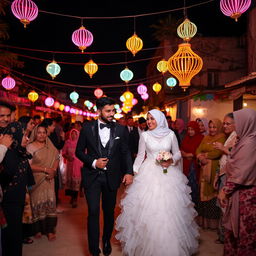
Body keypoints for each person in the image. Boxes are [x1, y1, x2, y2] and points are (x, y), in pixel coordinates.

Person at [115, 109, 199, 256]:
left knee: (169, 211)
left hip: (168, 173)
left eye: (152, 119)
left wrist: (171, 160)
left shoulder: (170, 134)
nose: (149, 122)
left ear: (160, 119)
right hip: (148, 173)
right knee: (148, 211)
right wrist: (133, 172)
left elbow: (178, 152)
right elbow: (141, 156)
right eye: (148, 119)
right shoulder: (145, 135)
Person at [75, 97, 133, 256]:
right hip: (92, 177)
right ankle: (93, 249)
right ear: (98, 111)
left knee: (108, 212)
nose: (112, 114)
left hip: (112, 177)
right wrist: (93, 162)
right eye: (108, 111)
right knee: (93, 211)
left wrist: (129, 172)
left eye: (113, 110)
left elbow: (125, 152)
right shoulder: (87, 128)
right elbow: (79, 151)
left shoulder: (121, 130)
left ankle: (106, 240)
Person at [218, 108, 256, 256]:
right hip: (239, 193)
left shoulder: (250, 143)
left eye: (237, 123)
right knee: (234, 231)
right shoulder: (244, 139)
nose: (235, 127)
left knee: (244, 232)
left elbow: (241, 171)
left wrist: (225, 190)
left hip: (247, 197)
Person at [0, 101, 35, 256]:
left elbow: (22, 154)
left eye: (8, 115)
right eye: (1, 115)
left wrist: (21, 145)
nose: (5, 119)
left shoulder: (16, 128)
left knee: (14, 229)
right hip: (2, 186)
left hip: (15, 185)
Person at [26, 124, 59, 241]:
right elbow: (28, 165)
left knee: (49, 202)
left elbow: (56, 158)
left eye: (44, 132)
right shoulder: (30, 147)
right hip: (36, 180)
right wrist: (45, 169)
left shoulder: (50, 146)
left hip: (49, 179)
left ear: (46, 134)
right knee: (36, 203)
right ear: (35, 133)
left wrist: (53, 171)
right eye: (39, 132)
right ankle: (37, 229)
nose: (41, 135)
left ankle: (50, 230)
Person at [196, 119, 226, 230]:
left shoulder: (222, 137)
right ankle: (204, 222)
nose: (212, 129)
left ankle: (213, 224)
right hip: (203, 169)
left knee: (212, 194)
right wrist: (200, 156)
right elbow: (198, 149)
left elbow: (217, 153)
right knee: (202, 192)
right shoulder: (206, 137)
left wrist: (204, 155)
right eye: (210, 127)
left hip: (213, 170)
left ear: (219, 127)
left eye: (214, 127)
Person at [212, 113, 237, 244]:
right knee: (222, 206)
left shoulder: (238, 137)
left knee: (227, 207)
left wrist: (224, 148)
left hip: (231, 176)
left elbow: (238, 157)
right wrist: (217, 175)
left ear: (236, 124)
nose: (224, 126)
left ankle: (227, 238)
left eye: (228, 123)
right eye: (224, 123)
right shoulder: (229, 137)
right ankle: (223, 236)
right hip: (223, 174)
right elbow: (223, 159)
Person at [180, 121, 204, 207]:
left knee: (193, 185)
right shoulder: (186, 138)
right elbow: (181, 149)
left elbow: (198, 152)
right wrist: (186, 154)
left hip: (194, 166)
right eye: (189, 129)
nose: (190, 131)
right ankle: (187, 204)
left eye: (192, 129)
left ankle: (194, 205)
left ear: (196, 129)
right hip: (185, 165)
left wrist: (188, 154)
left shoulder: (201, 138)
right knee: (186, 185)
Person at [62, 129, 83, 208]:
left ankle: (75, 199)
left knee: (76, 182)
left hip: (78, 165)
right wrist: (68, 157)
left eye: (75, 134)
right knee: (70, 182)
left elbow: (85, 153)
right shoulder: (67, 142)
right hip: (70, 165)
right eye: (72, 134)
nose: (74, 135)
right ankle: (72, 197)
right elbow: (64, 153)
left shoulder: (80, 143)